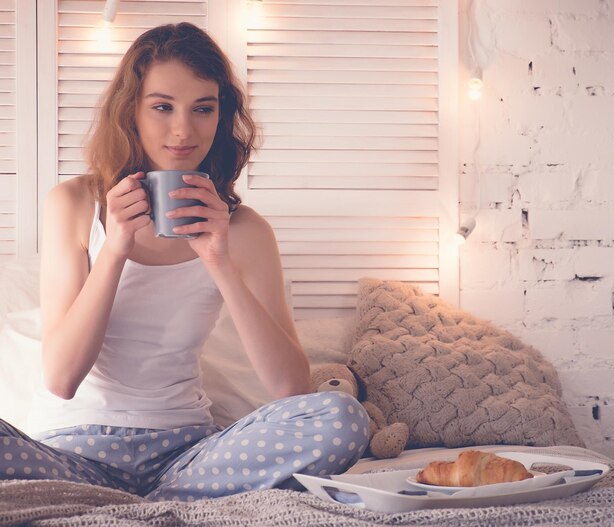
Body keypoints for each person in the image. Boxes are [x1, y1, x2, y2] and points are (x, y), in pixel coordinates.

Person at [0, 22, 369, 501]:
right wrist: (114, 250)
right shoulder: (73, 203)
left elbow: (291, 387)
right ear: (130, 110)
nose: (182, 130)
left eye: (203, 108)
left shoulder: (245, 230)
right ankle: (155, 501)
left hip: (187, 454)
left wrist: (218, 261)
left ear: (221, 115)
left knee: (341, 417)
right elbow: (62, 378)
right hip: (73, 452)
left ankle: (141, 501)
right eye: (162, 107)